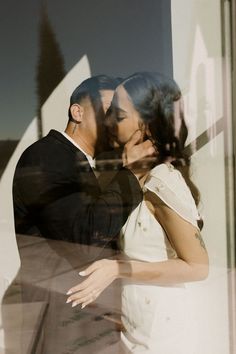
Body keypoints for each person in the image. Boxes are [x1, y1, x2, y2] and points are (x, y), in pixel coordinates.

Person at [66, 72, 209, 353]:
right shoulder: (129, 177)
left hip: (164, 338)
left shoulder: (162, 180)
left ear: (144, 124)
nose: (108, 121)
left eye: (118, 115)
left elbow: (198, 267)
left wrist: (118, 269)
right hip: (136, 328)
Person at [13, 75, 155, 245]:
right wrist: (130, 173)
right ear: (78, 112)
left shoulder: (83, 161)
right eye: (110, 110)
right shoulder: (46, 155)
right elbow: (83, 238)